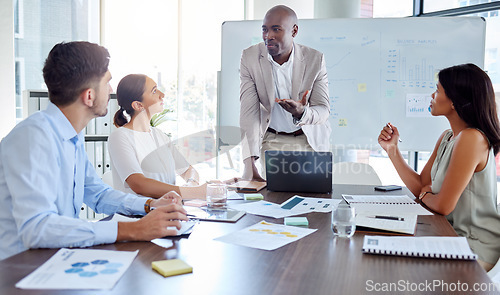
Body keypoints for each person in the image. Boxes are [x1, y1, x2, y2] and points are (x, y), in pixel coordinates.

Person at [0, 41, 188, 260]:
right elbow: (38, 228)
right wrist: (135, 229)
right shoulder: (33, 137)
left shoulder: (72, 136)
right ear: (89, 96)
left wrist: (149, 204)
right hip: (18, 271)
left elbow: (97, 194)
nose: (110, 90)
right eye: (107, 82)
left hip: (55, 259)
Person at [378, 63, 500, 271]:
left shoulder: (472, 138)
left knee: (395, 266)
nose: (431, 96)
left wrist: (427, 196)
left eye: (437, 90)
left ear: (454, 101)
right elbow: (421, 186)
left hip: (473, 246)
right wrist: (392, 150)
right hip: (448, 236)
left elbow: (443, 205)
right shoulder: (447, 137)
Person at [239, 5, 331, 181]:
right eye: (265, 29)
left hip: (310, 140)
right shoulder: (250, 58)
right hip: (273, 141)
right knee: (274, 201)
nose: (268, 36)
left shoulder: (315, 59)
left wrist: (301, 112)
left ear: (294, 31)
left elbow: (323, 110)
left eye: (276, 29)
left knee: (315, 201)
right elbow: (248, 114)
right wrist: (248, 165)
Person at [108, 74, 202, 198]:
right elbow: (139, 184)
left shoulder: (159, 135)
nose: (162, 94)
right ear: (138, 105)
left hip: (168, 212)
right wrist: (191, 192)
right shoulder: (120, 137)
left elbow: (189, 170)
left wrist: (191, 184)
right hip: (139, 215)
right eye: (154, 91)